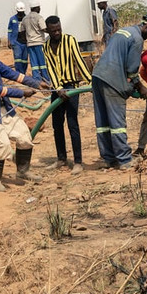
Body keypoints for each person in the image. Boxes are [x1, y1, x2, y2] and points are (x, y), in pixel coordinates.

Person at [0, 34, 51, 192]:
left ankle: (23, 171)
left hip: (4, 108)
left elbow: (13, 74)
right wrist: (22, 93)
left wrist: (36, 83)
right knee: (3, 145)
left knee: (25, 137)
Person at [91, 14, 147, 170]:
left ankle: (108, 158)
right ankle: (124, 160)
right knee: (117, 123)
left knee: (103, 122)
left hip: (98, 76)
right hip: (112, 80)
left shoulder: (124, 31)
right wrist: (141, 88)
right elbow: (131, 70)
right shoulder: (137, 39)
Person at [43, 15, 92, 175]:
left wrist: (90, 82)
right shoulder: (46, 46)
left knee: (72, 124)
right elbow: (50, 68)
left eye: (59, 29)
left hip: (72, 87)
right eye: (53, 30)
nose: (57, 32)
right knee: (57, 125)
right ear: (48, 30)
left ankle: (78, 162)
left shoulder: (70, 40)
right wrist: (57, 88)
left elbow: (79, 61)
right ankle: (61, 158)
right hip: (57, 89)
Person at [21, 0, 48, 82]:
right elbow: (44, 28)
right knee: (42, 62)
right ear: (37, 8)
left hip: (30, 43)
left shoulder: (25, 18)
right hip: (39, 42)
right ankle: (46, 78)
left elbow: (22, 31)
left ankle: (36, 79)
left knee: (34, 63)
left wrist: (26, 39)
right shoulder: (39, 17)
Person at [7, 1, 29, 74]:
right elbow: (9, 30)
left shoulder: (27, 19)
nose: (21, 13)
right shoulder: (12, 19)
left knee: (24, 59)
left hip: (25, 41)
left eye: (22, 11)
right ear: (16, 10)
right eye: (19, 11)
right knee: (18, 58)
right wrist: (9, 40)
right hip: (16, 41)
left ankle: (23, 73)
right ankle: (19, 73)